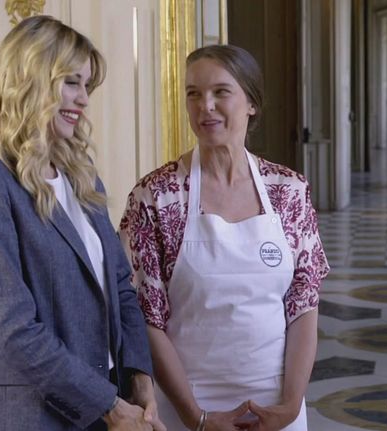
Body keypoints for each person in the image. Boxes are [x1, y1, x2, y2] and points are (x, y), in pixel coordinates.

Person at [0, 15, 163, 431]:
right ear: (29, 80)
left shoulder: (82, 177)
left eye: (87, 85)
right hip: (33, 415)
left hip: (107, 404)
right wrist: (109, 406)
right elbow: (13, 329)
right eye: (71, 82)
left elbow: (121, 286)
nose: (83, 98)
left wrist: (139, 377)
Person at [119, 44, 329, 431]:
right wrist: (196, 417)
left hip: (274, 402)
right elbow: (147, 318)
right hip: (186, 406)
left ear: (251, 103)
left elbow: (303, 306)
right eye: (193, 94)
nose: (206, 107)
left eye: (220, 92)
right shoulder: (156, 196)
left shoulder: (289, 191)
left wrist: (289, 405)